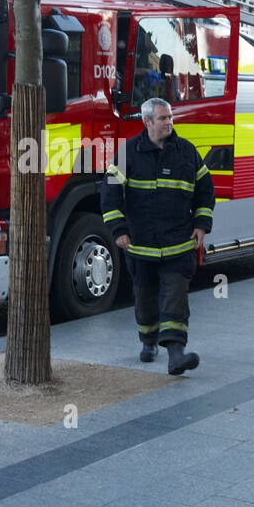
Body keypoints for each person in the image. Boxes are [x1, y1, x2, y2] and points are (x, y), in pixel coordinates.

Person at [100, 97, 214, 375]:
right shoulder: (127, 154)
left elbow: (205, 191)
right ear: (147, 121)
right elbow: (109, 193)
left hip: (178, 243)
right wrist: (119, 231)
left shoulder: (187, 152)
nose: (169, 122)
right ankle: (148, 341)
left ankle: (176, 354)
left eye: (170, 117)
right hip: (141, 246)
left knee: (176, 296)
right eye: (163, 118)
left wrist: (201, 224)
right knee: (145, 298)